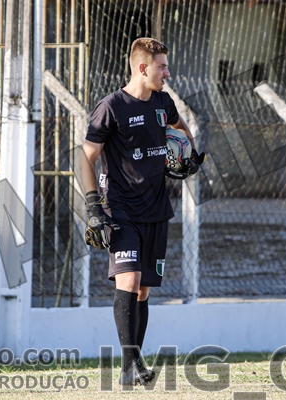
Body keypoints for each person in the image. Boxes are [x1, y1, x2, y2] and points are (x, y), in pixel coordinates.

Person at [79, 37, 205, 386]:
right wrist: (93, 207)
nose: (168, 73)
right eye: (162, 66)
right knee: (129, 280)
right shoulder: (111, 107)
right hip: (119, 208)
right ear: (143, 68)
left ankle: (127, 370)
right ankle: (133, 364)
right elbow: (85, 158)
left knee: (144, 289)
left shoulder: (164, 102)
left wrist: (189, 157)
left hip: (156, 208)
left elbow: (181, 130)